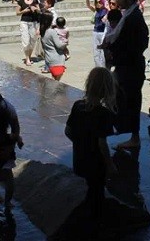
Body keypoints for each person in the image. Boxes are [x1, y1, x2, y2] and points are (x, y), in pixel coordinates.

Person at [65, 68, 117, 216]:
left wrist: (80, 142)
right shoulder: (104, 113)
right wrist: (110, 163)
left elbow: (68, 131)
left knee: (84, 187)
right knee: (97, 190)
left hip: (79, 157)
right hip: (96, 161)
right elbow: (102, 143)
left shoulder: (78, 106)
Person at [104, 0, 149, 150]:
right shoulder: (129, 15)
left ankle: (133, 136)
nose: (118, 0)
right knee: (123, 98)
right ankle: (123, 128)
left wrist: (115, 49)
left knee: (131, 100)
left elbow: (139, 42)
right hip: (127, 65)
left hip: (131, 66)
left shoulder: (134, 17)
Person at [16, 0, 40, 67]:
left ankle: (29, 56)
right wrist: (24, 11)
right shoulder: (21, 2)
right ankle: (27, 58)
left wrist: (35, 8)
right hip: (24, 22)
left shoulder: (35, 0)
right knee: (26, 41)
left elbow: (40, 11)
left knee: (33, 40)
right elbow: (17, 13)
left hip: (34, 22)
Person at [39, 12, 68, 81]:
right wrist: (65, 43)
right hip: (57, 59)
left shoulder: (43, 31)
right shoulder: (52, 32)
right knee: (56, 81)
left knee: (54, 79)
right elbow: (59, 45)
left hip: (49, 58)